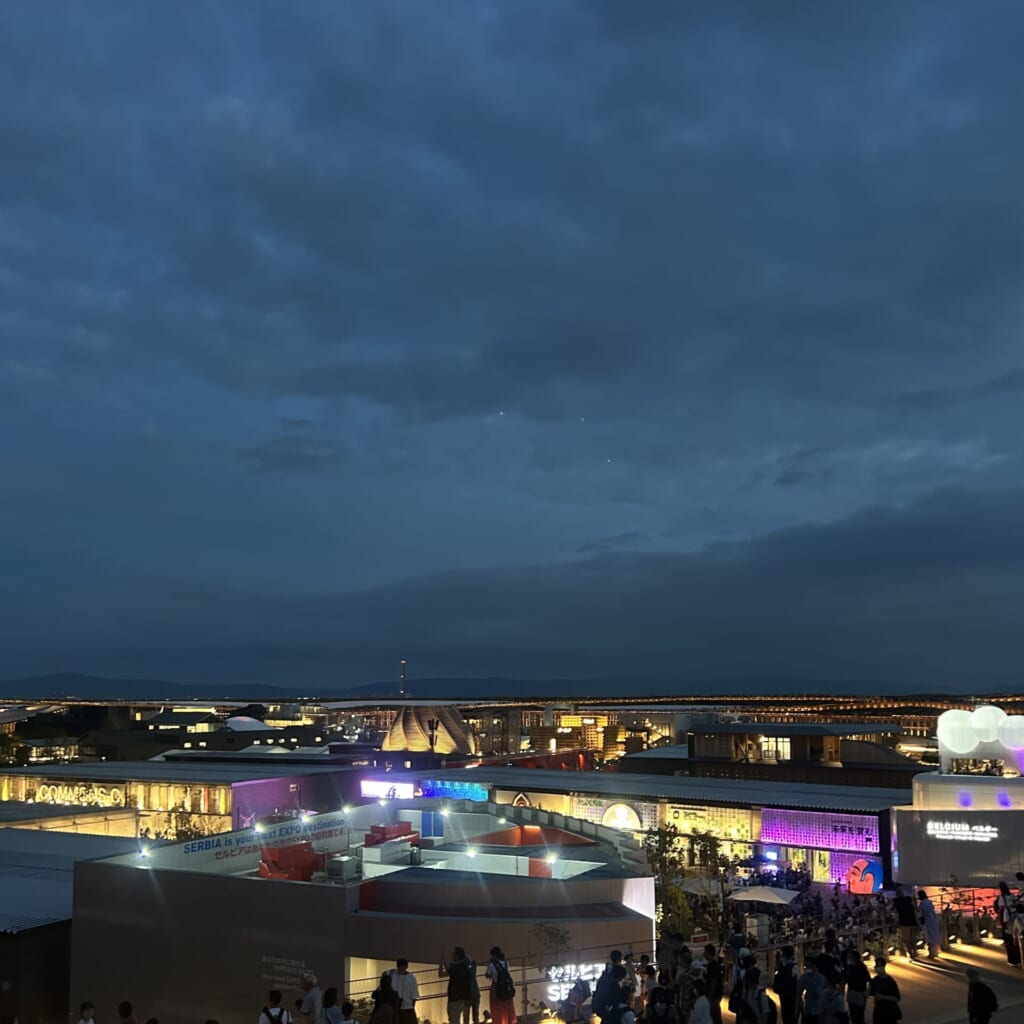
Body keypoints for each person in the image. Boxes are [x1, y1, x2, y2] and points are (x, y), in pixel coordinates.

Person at [440, 947, 475, 1024]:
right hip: (465, 998)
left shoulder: (453, 967)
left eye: (454, 954)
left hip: (455, 998)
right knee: (465, 1020)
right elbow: (470, 961)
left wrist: (442, 961)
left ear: (456, 956)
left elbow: (441, 974)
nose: (452, 955)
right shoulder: (467, 967)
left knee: (454, 1020)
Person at [485, 946, 517, 1024]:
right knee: (507, 1006)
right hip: (506, 988)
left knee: (497, 1008)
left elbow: (488, 975)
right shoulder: (506, 963)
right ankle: (509, 1021)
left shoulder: (491, 965)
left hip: (496, 988)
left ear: (493, 955)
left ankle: (500, 1021)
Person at [867, 959, 900, 1024]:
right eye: (876, 966)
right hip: (878, 1011)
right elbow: (870, 992)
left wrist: (883, 997)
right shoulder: (875, 980)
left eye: (879, 966)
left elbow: (897, 998)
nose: (877, 968)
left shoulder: (890, 981)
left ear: (883, 967)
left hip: (889, 1011)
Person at [772, 946, 799, 1024]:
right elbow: (799, 981)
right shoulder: (794, 967)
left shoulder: (780, 966)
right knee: (792, 1015)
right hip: (792, 995)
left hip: (783, 994)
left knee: (785, 1014)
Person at [995, 880, 1019, 965]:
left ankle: (1012, 960)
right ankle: (1018, 959)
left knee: (1008, 939)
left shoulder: (1002, 897)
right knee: (1015, 937)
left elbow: (1000, 907)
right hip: (1014, 917)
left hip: (1006, 917)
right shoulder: (1013, 896)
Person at [389, 959, 420, 1024]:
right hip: (397, 1006)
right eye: (400, 968)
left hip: (407, 1007)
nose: (401, 970)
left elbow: (414, 994)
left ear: (406, 967)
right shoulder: (394, 975)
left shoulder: (411, 977)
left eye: (402, 967)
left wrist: (412, 1006)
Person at [843, 950, 870, 1024]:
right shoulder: (848, 968)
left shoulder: (862, 967)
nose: (848, 959)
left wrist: (867, 992)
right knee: (853, 1015)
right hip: (851, 993)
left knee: (859, 1015)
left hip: (860, 993)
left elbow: (868, 980)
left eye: (850, 957)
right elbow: (844, 979)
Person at [892, 888, 919, 961]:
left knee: (905, 939)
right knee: (912, 938)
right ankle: (914, 952)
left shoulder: (895, 901)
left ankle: (910, 953)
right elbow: (915, 907)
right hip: (912, 920)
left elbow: (892, 909)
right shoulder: (908, 898)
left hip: (904, 922)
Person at [917, 890, 941, 959]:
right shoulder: (929, 902)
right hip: (933, 920)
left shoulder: (922, 904)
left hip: (928, 921)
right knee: (934, 935)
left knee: (929, 936)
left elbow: (921, 913)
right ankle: (935, 952)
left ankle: (932, 953)